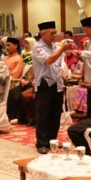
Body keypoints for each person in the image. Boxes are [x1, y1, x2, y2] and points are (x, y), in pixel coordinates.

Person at [32, 21, 74, 154]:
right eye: (52, 33)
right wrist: (62, 49)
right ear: (43, 34)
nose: (55, 35)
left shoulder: (56, 46)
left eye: (55, 33)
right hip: (44, 84)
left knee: (55, 115)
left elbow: (59, 64)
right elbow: (48, 60)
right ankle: (41, 143)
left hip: (57, 84)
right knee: (43, 115)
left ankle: (52, 140)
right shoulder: (37, 47)